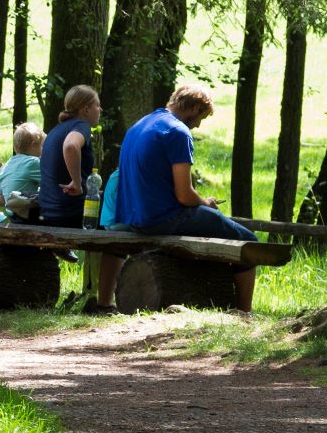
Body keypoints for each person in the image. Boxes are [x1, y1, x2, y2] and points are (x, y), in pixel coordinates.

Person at [106, 80, 258, 311]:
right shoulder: (177, 132)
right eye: (201, 118)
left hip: (132, 218)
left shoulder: (138, 126)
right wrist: (206, 203)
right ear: (195, 109)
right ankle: (245, 312)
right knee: (249, 242)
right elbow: (185, 196)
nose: (197, 125)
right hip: (162, 219)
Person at [38, 84, 101, 228]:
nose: (100, 110)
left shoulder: (56, 130)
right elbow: (71, 146)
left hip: (48, 211)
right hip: (70, 213)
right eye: (97, 105)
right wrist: (77, 183)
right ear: (86, 109)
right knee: (118, 208)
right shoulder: (81, 125)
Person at [0, 122, 45, 214]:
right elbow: (53, 183)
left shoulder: (5, 167)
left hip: (13, 217)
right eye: (42, 146)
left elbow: (1, 201)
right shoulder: (33, 162)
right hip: (29, 216)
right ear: (33, 145)